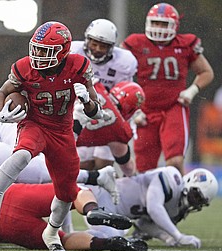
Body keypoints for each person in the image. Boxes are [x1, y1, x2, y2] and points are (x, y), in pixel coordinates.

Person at [0, 21, 110, 251]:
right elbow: (2, 93)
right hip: (35, 123)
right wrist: (0, 111)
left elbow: (98, 113)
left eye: (45, 51)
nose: (38, 56)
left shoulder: (78, 66)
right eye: (36, 49)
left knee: (66, 190)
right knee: (22, 154)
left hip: (62, 132)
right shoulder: (24, 68)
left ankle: (51, 232)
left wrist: (86, 101)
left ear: (63, 51)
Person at [0, 160, 147, 251]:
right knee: (73, 191)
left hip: (3, 223)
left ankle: (112, 244)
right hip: (14, 194)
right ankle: (92, 210)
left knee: (59, 240)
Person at [120, 3, 214, 175]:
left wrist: (192, 90)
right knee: (144, 170)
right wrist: (133, 111)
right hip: (145, 111)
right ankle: (147, 202)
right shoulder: (136, 43)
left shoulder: (185, 44)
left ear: (174, 25)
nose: (159, 28)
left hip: (173, 107)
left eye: (163, 24)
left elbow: (206, 72)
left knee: (175, 161)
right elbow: (118, 73)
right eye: (156, 23)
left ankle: (181, 200)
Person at [81, 166, 218, 248]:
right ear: (189, 181)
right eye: (196, 195)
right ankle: (70, 237)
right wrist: (178, 236)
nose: (195, 201)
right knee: (115, 241)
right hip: (104, 199)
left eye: (200, 201)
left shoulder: (177, 206)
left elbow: (143, 224)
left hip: (115, 213)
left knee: (118, 239)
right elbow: (154, 208)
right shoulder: (172, 178)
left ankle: (71, 235)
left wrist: (166, 237)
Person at [71, 18, 138, 170]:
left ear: (111, 47)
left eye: (103, 46)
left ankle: (124, 182)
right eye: (94, 44)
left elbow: (126, 93)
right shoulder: (74, 53)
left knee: (103, 164)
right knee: (82, 163)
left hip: (109, 115)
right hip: (79, 113)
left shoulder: (123, 63)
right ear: (87, 40)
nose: (97, 49)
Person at [74, 80, 145, 174]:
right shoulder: (120, 129)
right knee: (104, 172)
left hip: (55, 129)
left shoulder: (97, 87)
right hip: (63, 147)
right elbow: (128, 169)